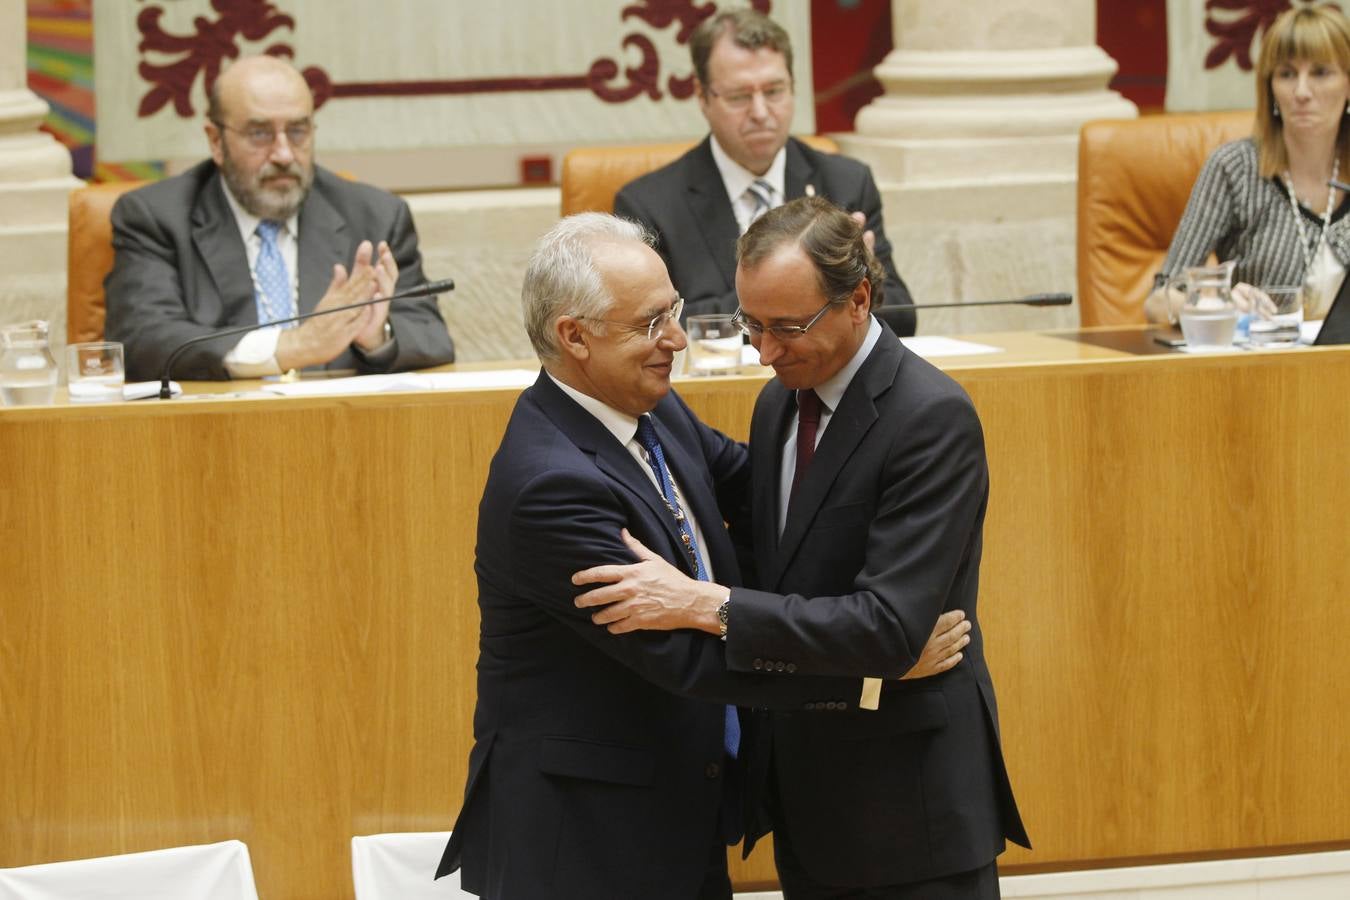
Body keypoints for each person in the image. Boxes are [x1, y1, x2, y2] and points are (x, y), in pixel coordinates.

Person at [436, 213, 963, 900]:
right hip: (582, 843)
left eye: (674, 312)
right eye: (651, 323)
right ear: (575, 337)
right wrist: (872, 673)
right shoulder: (550, 485)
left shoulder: (650, 412)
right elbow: (690, 660)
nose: (678, 341)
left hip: (671, 817)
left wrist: (887, 588)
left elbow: (770, 502)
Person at [574, 197, 1029, 899]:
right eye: (750, 324)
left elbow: (887, 628)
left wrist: (708, 605)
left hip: (911, 813)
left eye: (788, 326)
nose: (765, 350)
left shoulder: (930, 418)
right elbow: (779, 552)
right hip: (810, 807)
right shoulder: (781, 399)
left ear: (859, 301)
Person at [105, 55, 455, 382]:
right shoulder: (156, 217)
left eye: (298, 131)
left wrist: (377, 337)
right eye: (260, 133)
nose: (284, 154)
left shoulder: (376, 216)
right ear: (215, 140)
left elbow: (430, 335)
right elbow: (142, 339)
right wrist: (293, 347)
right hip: (211, 433)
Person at [614, 9, 916, 334]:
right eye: (739, 96)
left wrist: (863, 282)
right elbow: (653, 326)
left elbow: (902, 315)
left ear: (793, 86)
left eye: (774, 92)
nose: (760, 112)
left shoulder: (846, 183)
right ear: (702, 97)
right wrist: (820, 289)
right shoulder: (648, 206)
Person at [1146, 3, 1350, 326]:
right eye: (1286, 74)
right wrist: (1220, 302)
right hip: (1263, 368)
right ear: (1270, 88)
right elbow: (1159, 302)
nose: (1301, 91)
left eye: (1321, 73)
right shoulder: (1235, 169)